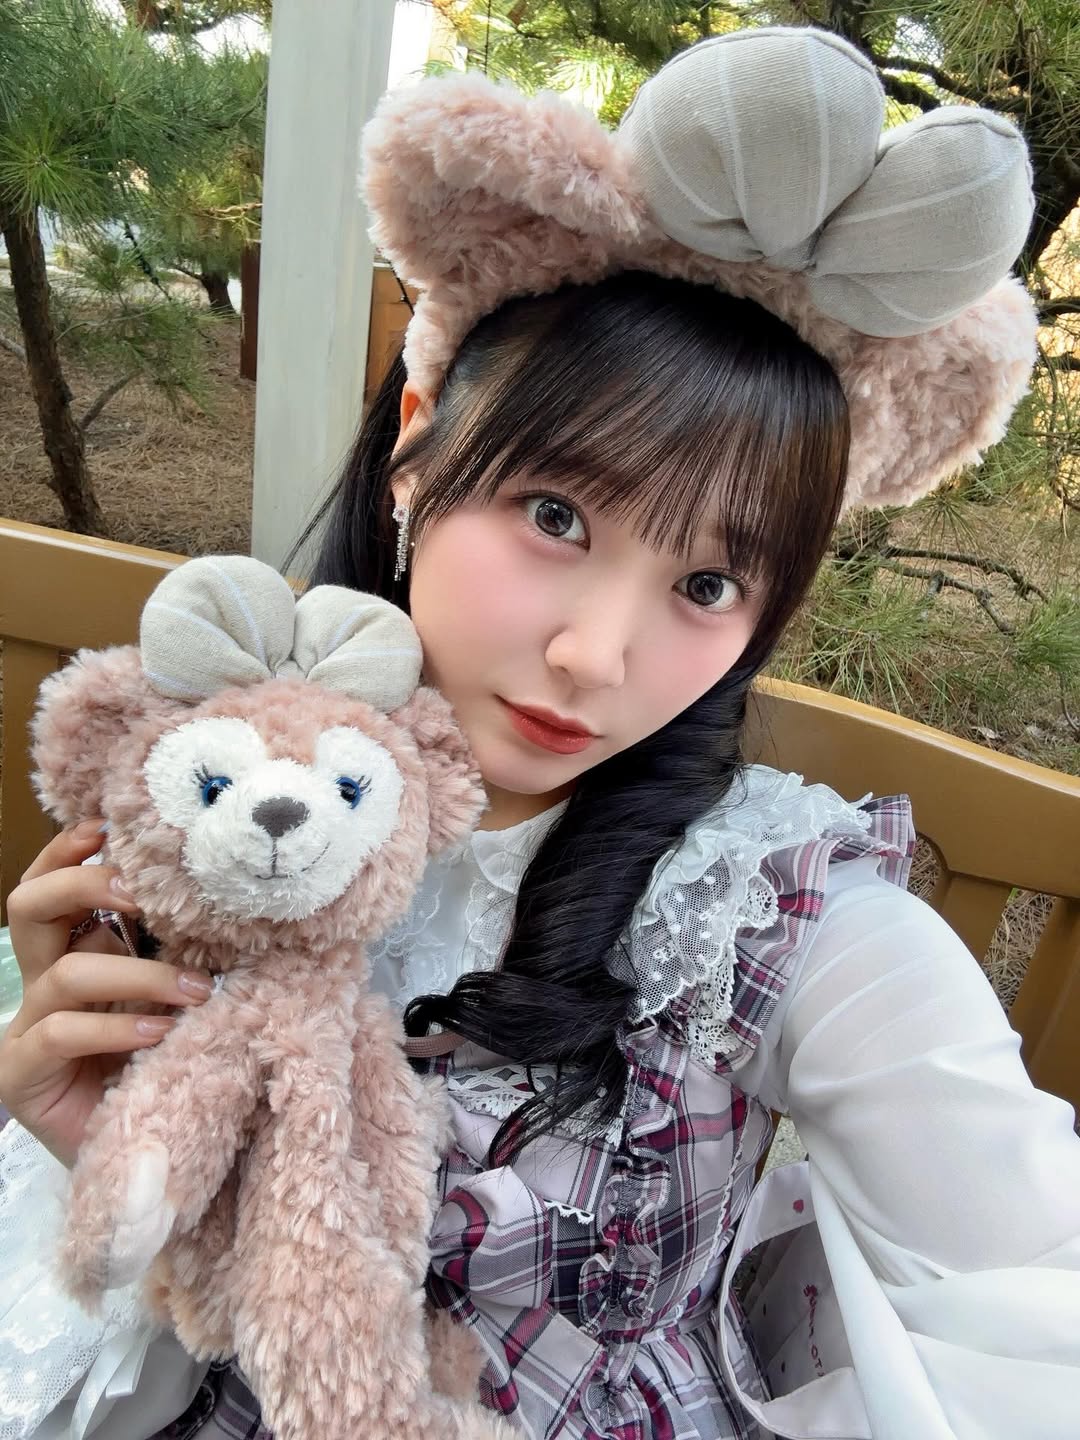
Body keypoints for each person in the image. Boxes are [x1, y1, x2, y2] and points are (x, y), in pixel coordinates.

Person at [2, 25, 1079, 1440]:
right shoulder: (230, 810)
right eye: (557, 516)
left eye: (708, 585)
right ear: (416, 442)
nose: (594, 655)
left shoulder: (765, 915)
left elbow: (1039, 1313)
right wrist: (94, 1160)